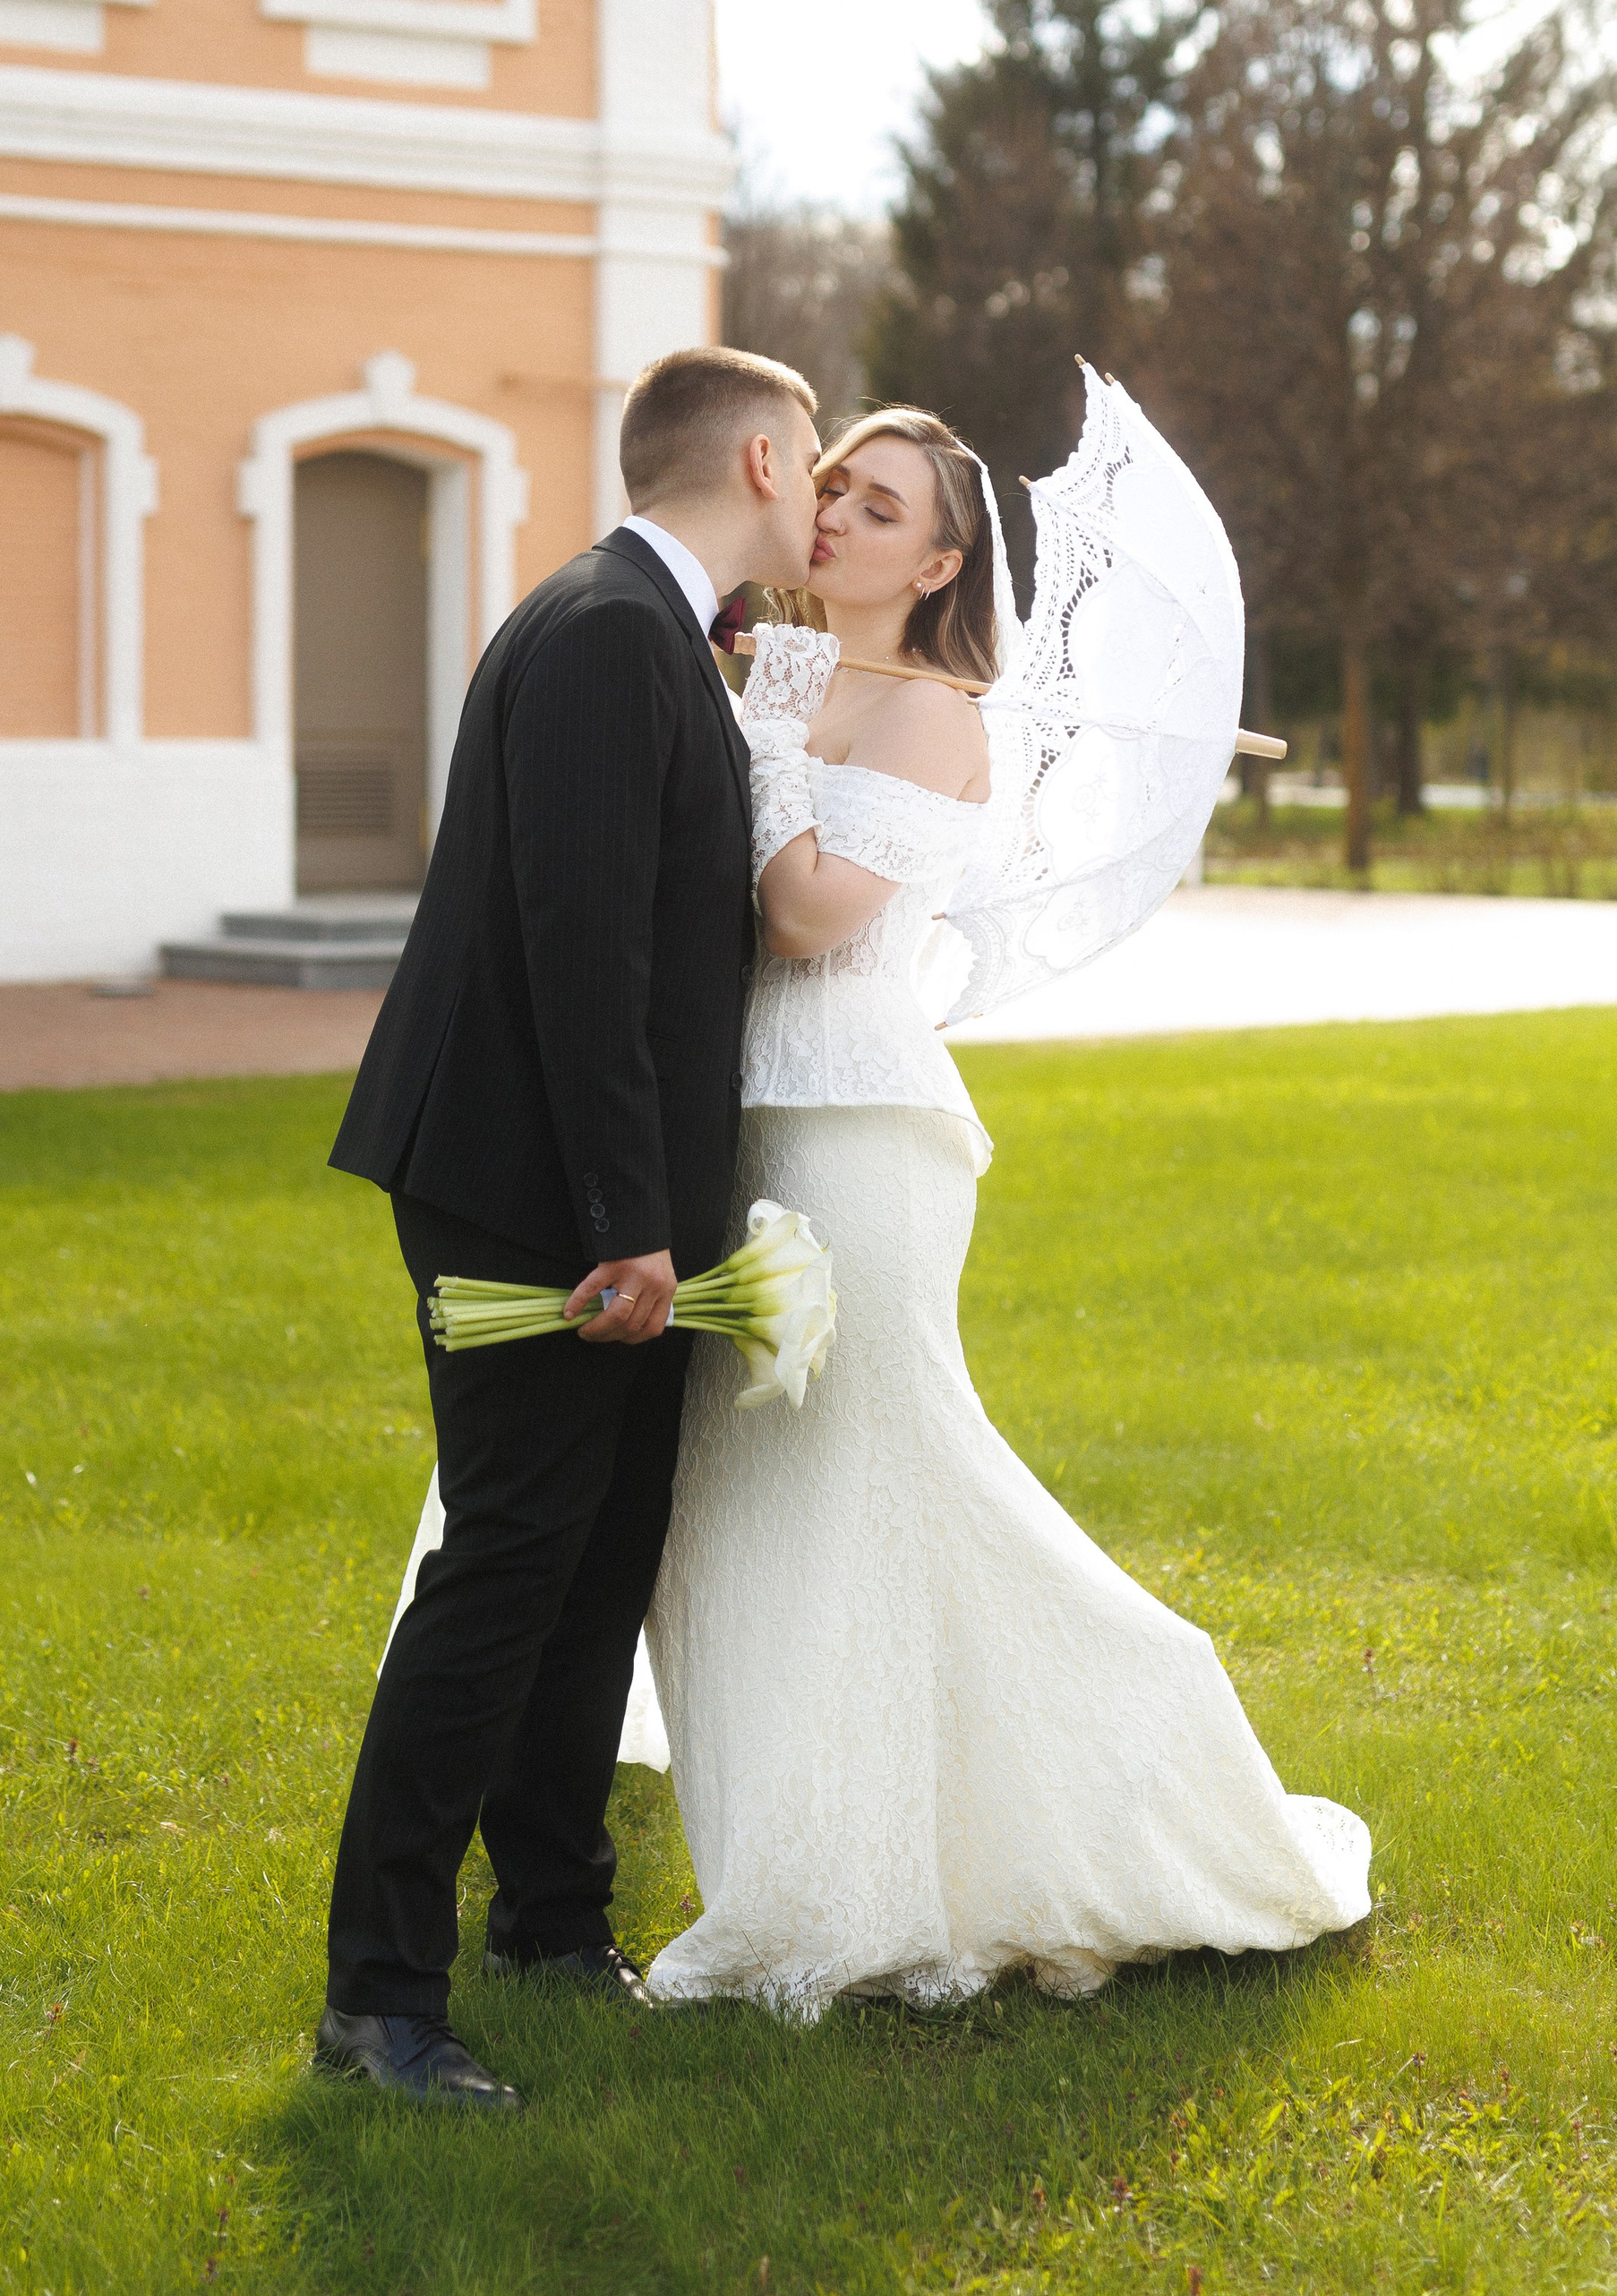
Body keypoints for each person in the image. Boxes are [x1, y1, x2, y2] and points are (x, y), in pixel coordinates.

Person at [640, 406, 1373, 2014]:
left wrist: (769, 734)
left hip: (855, 1135)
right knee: (746, 1505)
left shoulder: (930, 716)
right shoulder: (785, 670)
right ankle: (804, 1861)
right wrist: (758, 705)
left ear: (940, 564)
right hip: (736, 1121)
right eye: (835, 485)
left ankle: (1148, 1732)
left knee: (885, 1475)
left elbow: (810, 915)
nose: (837, 513)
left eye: (881, 505)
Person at [319, 343, 824, 2110]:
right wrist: (624, 1221)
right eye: (811, 461)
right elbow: (578, 944)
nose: (819, 493)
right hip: (527, 1185)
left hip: (600, 1189)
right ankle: (379, 1998)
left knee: (600, 1557)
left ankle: (549, 1918)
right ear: (757, 460)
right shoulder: (609, 630)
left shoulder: (655, 631)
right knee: (508, 1567)